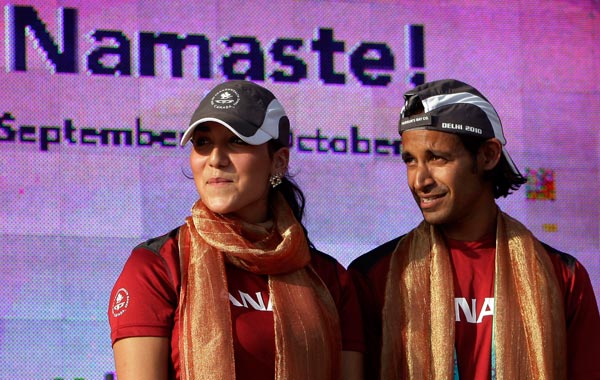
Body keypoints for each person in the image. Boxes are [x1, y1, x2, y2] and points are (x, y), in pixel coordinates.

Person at [108, 80, 364, 380]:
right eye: (203, 143)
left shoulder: (330, 279)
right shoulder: (158, 266)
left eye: (237, 141)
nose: (216, 159)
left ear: (279, 161)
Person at [349, 79, 600, 379]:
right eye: (410, 161)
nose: (419, 180)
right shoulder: (376, 275)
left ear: (488, 155)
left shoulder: (563, 277)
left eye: (437, 158)